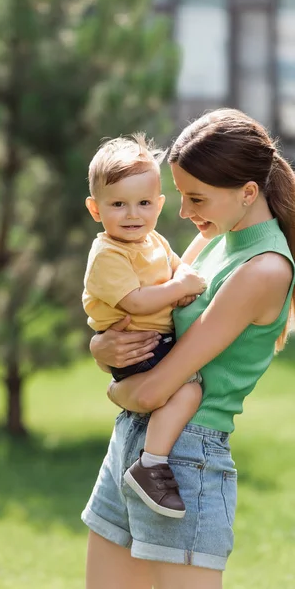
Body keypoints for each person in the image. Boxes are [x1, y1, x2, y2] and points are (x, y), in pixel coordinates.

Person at [81, 108, 295, 589]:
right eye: (179, 195)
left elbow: (157, 389)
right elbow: (140, 320)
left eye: (195, 197)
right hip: (134, 444)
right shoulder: (210, 243)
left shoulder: (263, 269)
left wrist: (117, 392)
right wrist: (101, 346)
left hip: (183, 462)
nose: (181, 212)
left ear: (247, 193)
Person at [83, 134, 206, 518]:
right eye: (118, 204)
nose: (133, 214)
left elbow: (178, 265)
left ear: (159, 204)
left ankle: (146, 447)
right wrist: (177, 290)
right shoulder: (108, 254)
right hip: (136, 347)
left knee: (182, 387)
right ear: (95, 209)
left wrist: (184, 279)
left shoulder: (153, 240)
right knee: (188, 391)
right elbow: (134, 301)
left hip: (154, 341)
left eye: (144, 203)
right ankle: (151, 464)